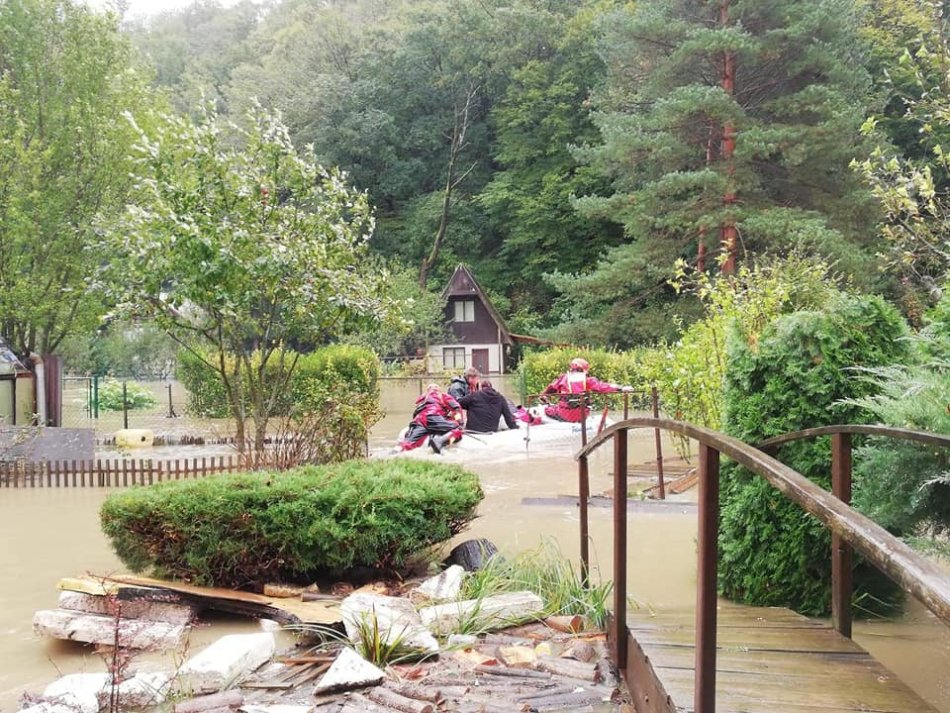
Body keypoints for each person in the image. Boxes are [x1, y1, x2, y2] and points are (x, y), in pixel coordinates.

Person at [540, 357, 634, 423]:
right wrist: (621, 388)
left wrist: (543, 396)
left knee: (545, 410)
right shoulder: (588, 380)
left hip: (565, 415)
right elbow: (603, 386)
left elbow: (551, 388)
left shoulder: (563, 378)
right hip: (582, 415)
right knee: (557, 408)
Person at [397, 384, 464, 453]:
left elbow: (416, 412)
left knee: (409, 443)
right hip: (433, 417)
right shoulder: (442, 395)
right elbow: (456, 408)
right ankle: (440, 442)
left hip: (419, 421)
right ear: (439, 389)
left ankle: (396, 451)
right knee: (457, 431)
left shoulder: (421, 398)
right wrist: (459, 422)